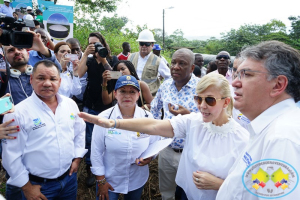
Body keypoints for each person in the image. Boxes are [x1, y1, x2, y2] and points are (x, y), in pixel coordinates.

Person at [79, 73, 249, 200]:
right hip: (184, 194)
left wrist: (219, 184)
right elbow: (154, 126)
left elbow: (252, 187)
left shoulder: (243, 139)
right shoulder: (193, 122)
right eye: (198, 99)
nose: (202, 106)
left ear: (226, 102)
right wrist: (113, 124)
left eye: (210, 100)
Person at [216, 41, 300, 200]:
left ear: (278, 85)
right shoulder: (268, 129)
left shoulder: (282, 139)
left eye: (247, 74)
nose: (234, 83)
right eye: (237, 74)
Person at [2, 60, 87, 200]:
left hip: (69, 180)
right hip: (38, 186)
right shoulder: (17, 113)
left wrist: (77, 158)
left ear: (60, 81)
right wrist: (27, 187)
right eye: (41, 78)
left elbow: (79, 132)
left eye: (53, 79)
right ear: (31, 79)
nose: (47, 83)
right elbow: (11, 155)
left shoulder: (70, 104)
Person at [91, 75, 159, 200]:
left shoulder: (147, 118)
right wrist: (101, 181)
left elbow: (154, 144)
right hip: (110, 179)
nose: (127, 96)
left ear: (138, 95)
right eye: (122, 91)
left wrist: (149, 157)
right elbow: (96, 152)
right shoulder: (104, 118)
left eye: (132, 92)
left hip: (136, 178)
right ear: (115, 94)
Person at [150, 48, 200, 200]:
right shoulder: (165, 85)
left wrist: (189, 115)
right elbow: (155, 109)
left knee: (189, 193)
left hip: (191, 152)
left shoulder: (202, 88)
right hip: (166, 148)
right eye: (173, 62)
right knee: (166, 192)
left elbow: (212, 118)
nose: (175, 66)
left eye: (182, 63)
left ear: (192, 67)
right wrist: (157, 136)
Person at [78, 32, 119, 187]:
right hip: (91, 104)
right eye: (91, 44)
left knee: (108, 139)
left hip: (107, 106)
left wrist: (103, 60)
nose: (94, 47)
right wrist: (85, 55)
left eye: (97, 44)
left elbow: (116, 76)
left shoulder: (113, 59)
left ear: (103, 43)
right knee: (89, 140)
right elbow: (78, 73)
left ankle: (107, 169)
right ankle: (90, 170)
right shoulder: (88, 60)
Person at [128, 29, 170, 96]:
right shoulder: (131, 57)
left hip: (150, 96)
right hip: (132, 94)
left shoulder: (158, 60)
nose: (144, 46)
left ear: (152, 45)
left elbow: (169, 76)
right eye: (141, 43)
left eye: (147, 44)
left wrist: (163, 89)